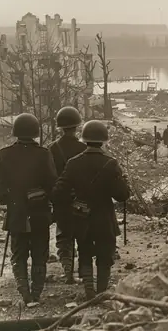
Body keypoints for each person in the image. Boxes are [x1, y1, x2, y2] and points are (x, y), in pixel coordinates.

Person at [53, 120, 130, 300]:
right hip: (104, 218)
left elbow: (58, 191)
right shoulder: (111, 163)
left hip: (82, 217)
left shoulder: (73, 163)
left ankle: (88, 289)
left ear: (85, 139)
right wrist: (123, 182)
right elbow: (122, 195)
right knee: (105, 255)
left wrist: (74, 201)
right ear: (104, 140)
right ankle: (101, 292)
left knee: (85, 252)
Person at [0, 113, 57, 304]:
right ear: (36, 132)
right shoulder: (44, 154)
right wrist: (46, 200)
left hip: (17, 213)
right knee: (39, 254)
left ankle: (25, 294)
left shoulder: (5, 153)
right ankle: (36, 293)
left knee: (18, 255)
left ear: (15, 132)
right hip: (40, 213)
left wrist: (9, 200)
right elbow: (53, 184)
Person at [48, 106, 86, 284]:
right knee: (82, 234)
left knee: (64, 236)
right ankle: (84, 273)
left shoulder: (51, 149)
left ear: (60, 127)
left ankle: (68, 272)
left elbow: (48, 176)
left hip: (61, 198)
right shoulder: (83, 148)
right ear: (77, 126)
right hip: (81, 198)